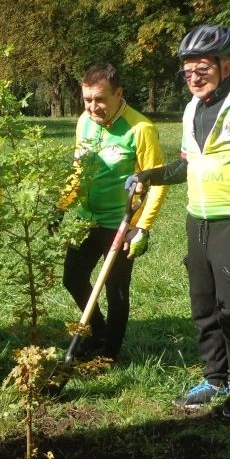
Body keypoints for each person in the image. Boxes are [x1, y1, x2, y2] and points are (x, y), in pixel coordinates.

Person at [130, 25, 230, 421]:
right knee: (204, 307)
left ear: (226, 64)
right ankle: (213, 377)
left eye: (202, 68)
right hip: (197, 221)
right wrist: (149, 176)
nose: (194, 77)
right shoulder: (192, 108)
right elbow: (187, 164)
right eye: (188, 71)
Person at [55, 63, 168, 362]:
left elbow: (158, 182)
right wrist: (61, 205)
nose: (93, 107)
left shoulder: (140, 129)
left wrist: (142, 227)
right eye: (88, 100)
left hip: (120, 224)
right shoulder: (84, 122)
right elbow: (79, 170)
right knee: (72, 278)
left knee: (116, 290)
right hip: (85, 218)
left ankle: (109, 353)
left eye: (100, 99)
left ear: (119, 94)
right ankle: (98, 330)